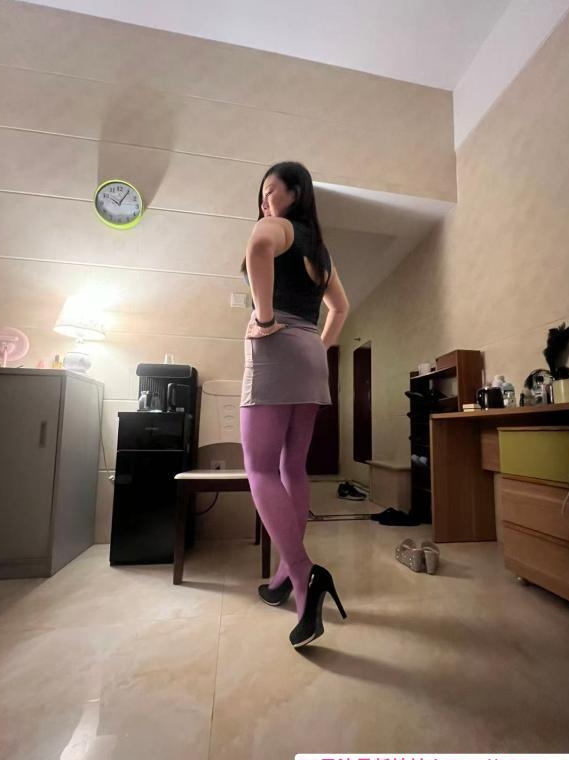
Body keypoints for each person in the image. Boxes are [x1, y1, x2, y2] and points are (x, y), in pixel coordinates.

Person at [240, 161, 350, 648]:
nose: (264, 201)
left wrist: (265, 320)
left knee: (259, 468)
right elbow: (340, 309)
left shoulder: (277, 228)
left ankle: (304, 574)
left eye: (271, 190)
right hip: (310, 354)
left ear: (296, 192)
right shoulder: (319, 248)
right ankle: (284, 573)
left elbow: (258, 247)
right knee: (293, 467)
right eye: (262, 195)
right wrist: (317, 347)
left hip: (278, 346)